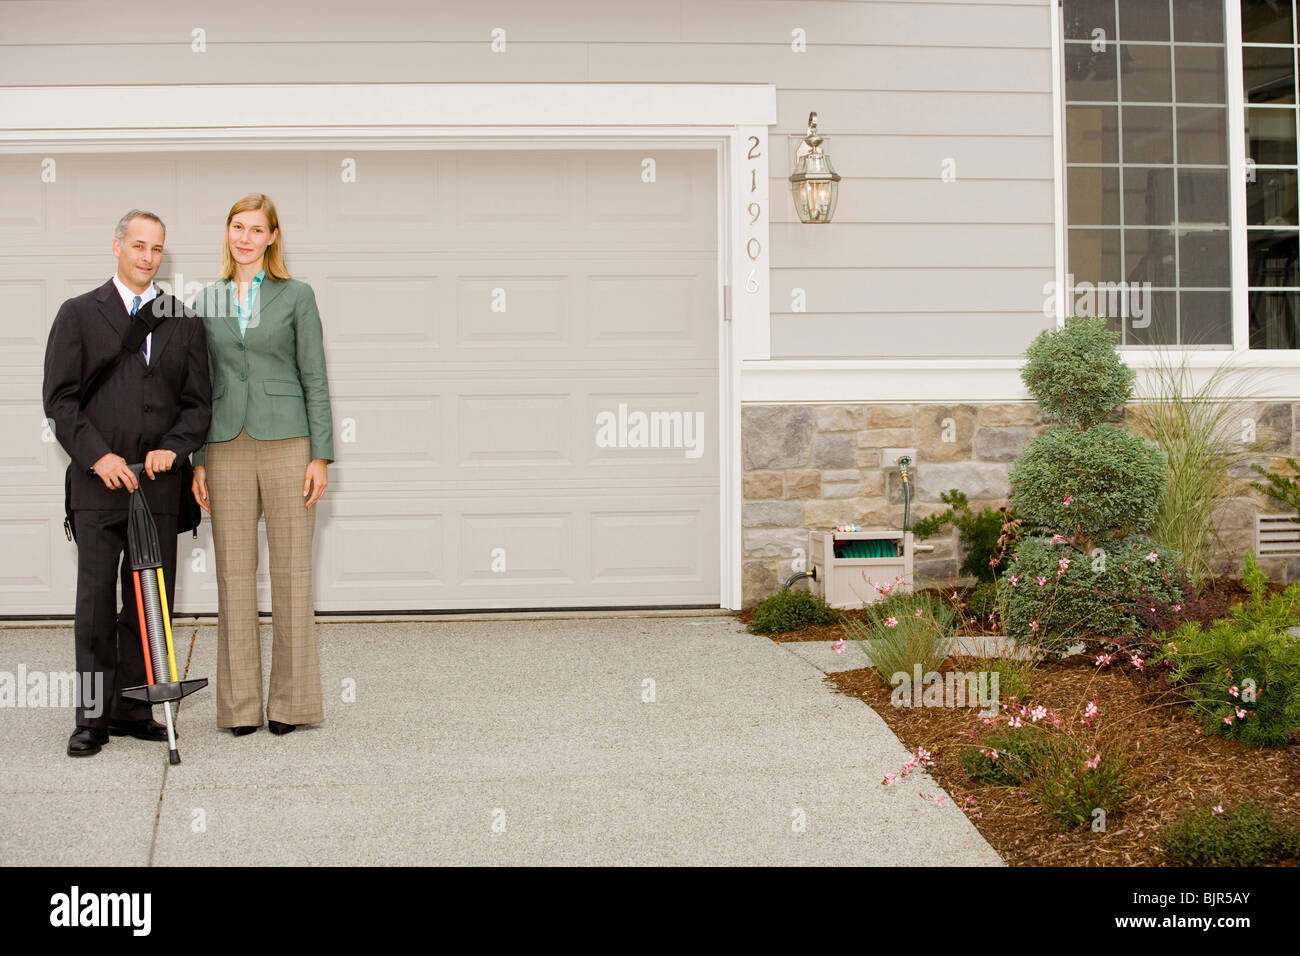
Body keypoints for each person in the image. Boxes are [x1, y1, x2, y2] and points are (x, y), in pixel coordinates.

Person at [42, 210, 212, 757]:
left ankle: (136, 706)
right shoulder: (78, 314)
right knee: (94, 602)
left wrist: (176, 447)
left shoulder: (182, 319)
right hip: (98, 488)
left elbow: (197, 404)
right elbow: (60, 400)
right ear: (117, 246)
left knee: (149, 602)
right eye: (137, 245)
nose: (147, 256)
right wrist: (97, 457)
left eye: (156, 248)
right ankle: (92, 717)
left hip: (159, 489)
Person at [190, 193, 334, 737]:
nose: (245, 237)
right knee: (232, 576)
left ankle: (290, 704)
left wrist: (320, 454)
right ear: (227, 233)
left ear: (272, 236)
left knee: (293, 574)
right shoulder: (208, 299)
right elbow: (199, 384)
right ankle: (240, 707)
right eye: (236, 227)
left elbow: (315, 376)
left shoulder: (297, 295)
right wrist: (199, 459)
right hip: (225, 444)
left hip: (288, 442)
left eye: (256, 229)